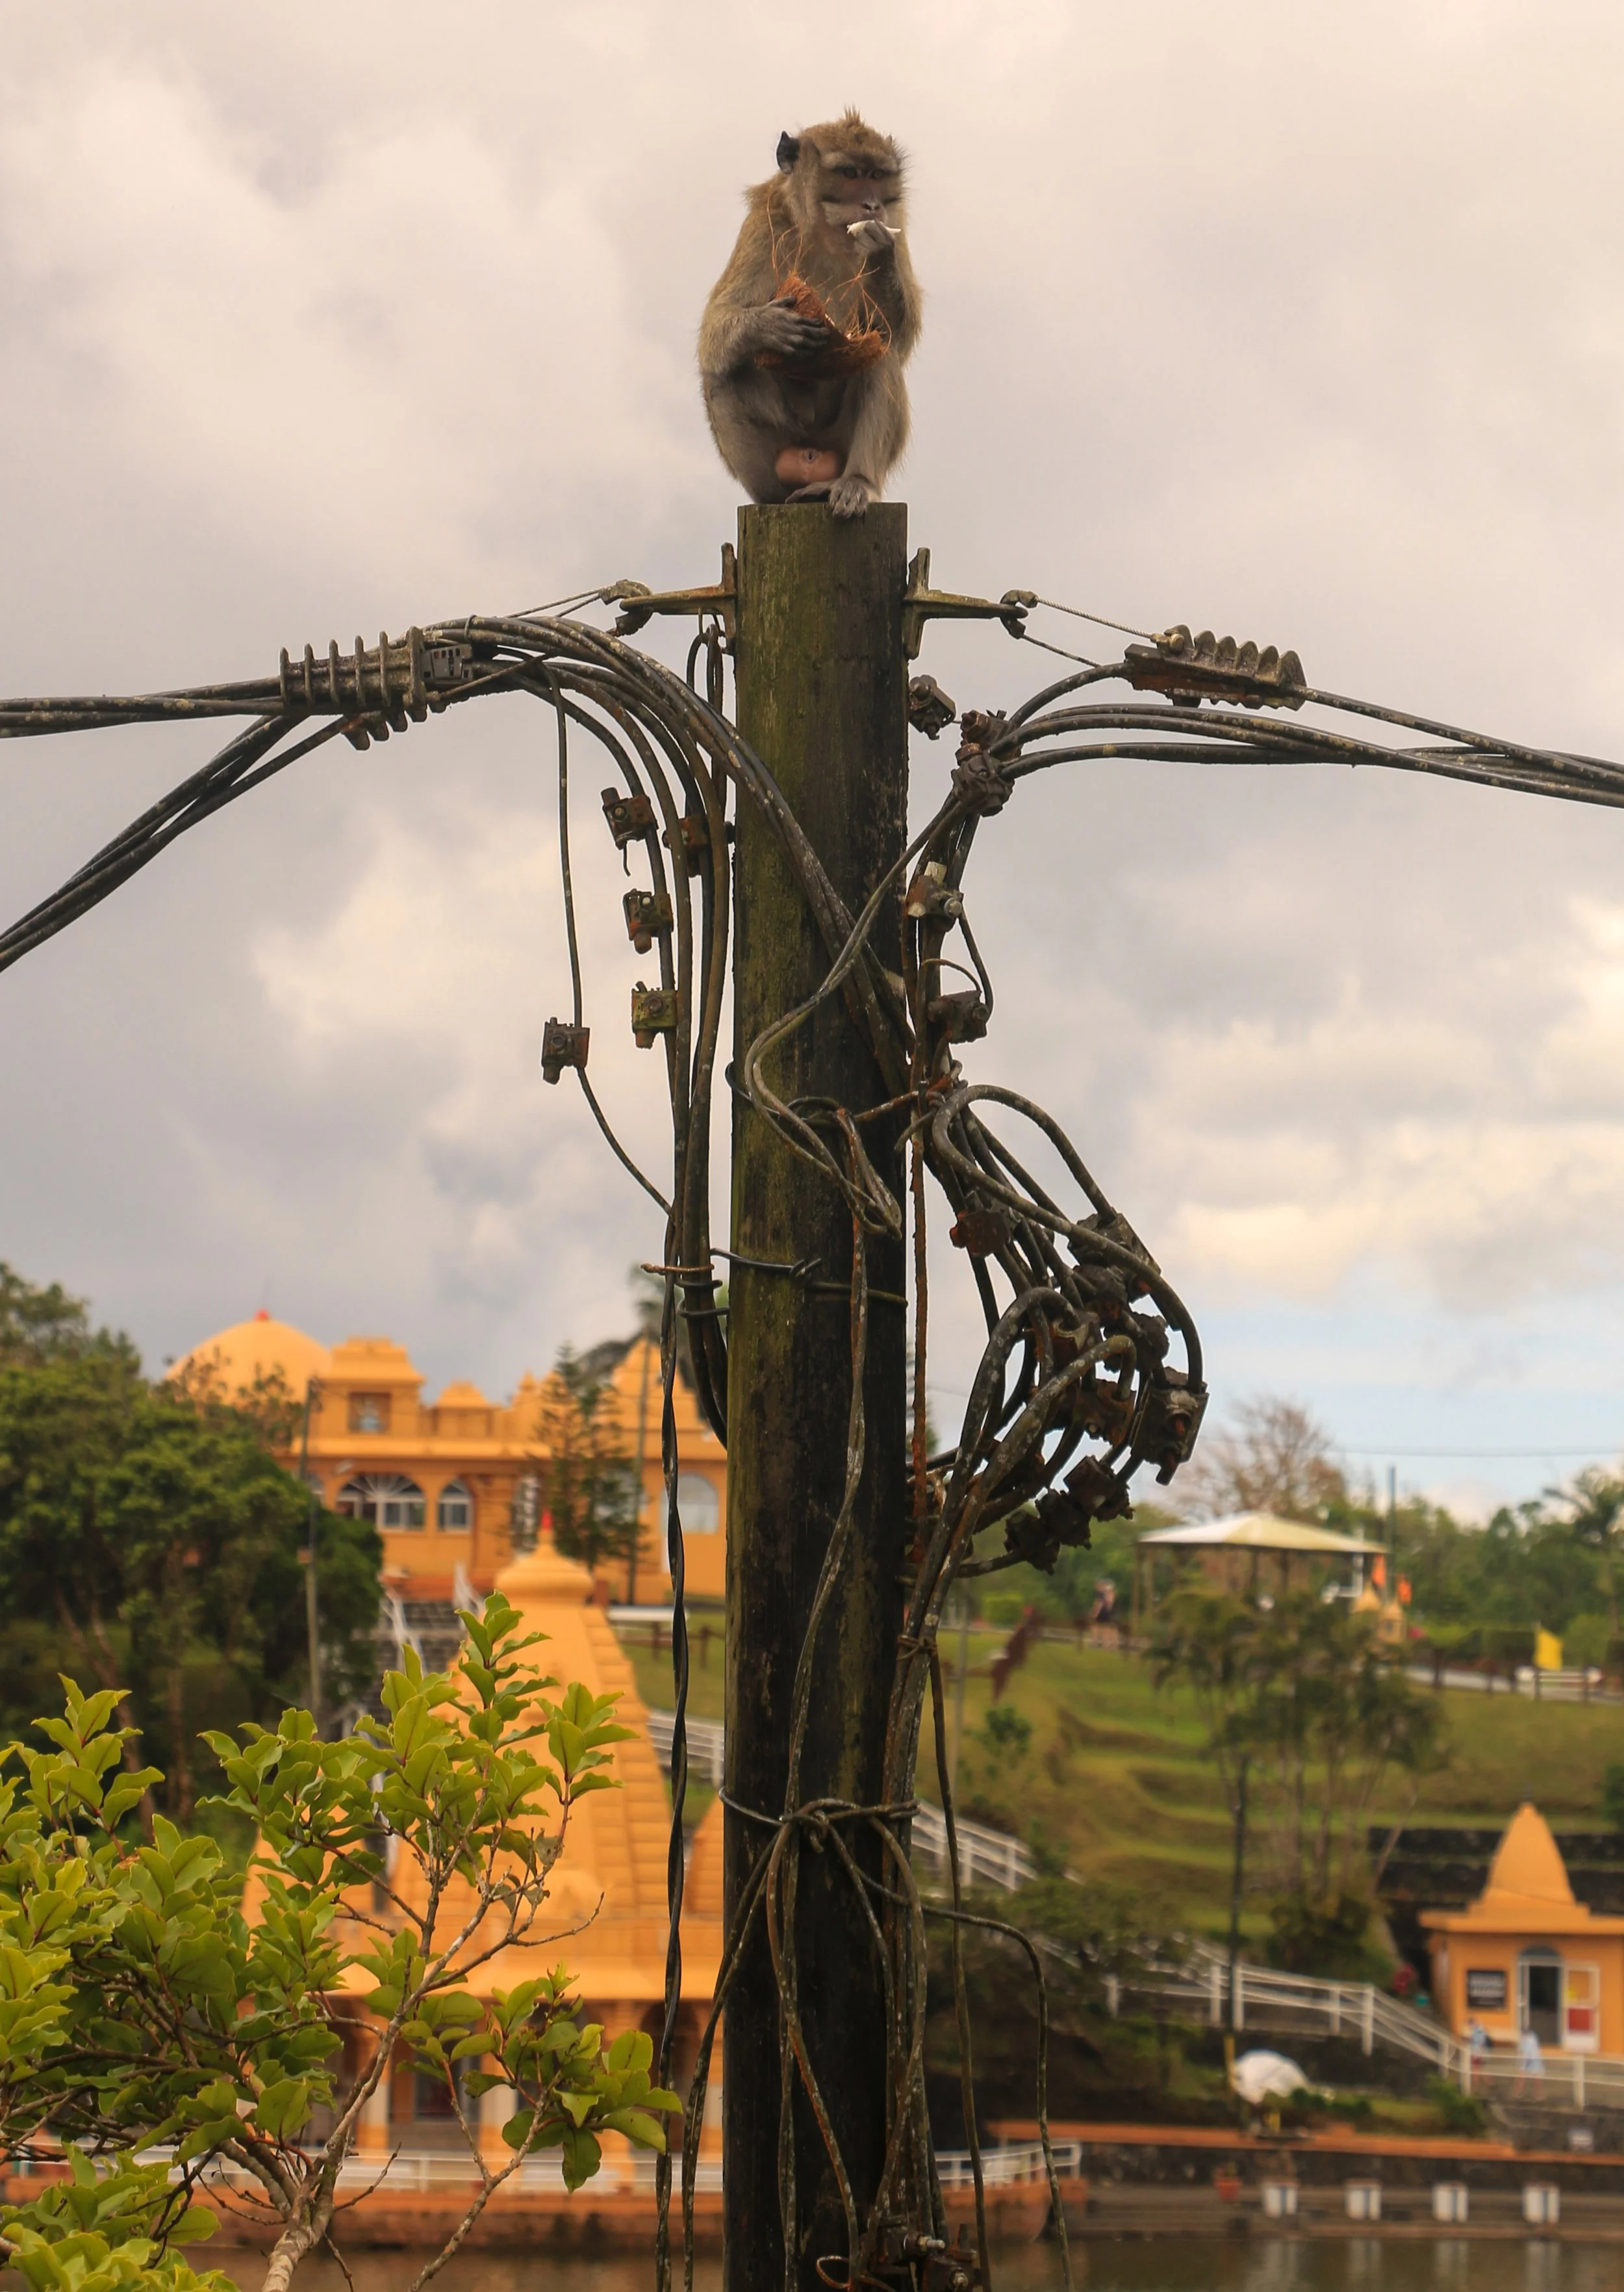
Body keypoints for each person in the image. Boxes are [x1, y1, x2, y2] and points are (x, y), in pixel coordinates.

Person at [1515, 2020, 1543, 2097]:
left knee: (1526, 2077)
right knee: (1533, 2078)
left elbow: (1523, 2050)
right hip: (1532, 2058)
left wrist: (1521, 2060)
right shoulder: (1532, 2037)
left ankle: (1520, 2092)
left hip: (1531, 2059)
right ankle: (1538, 2094)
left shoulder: (1527, 2038)